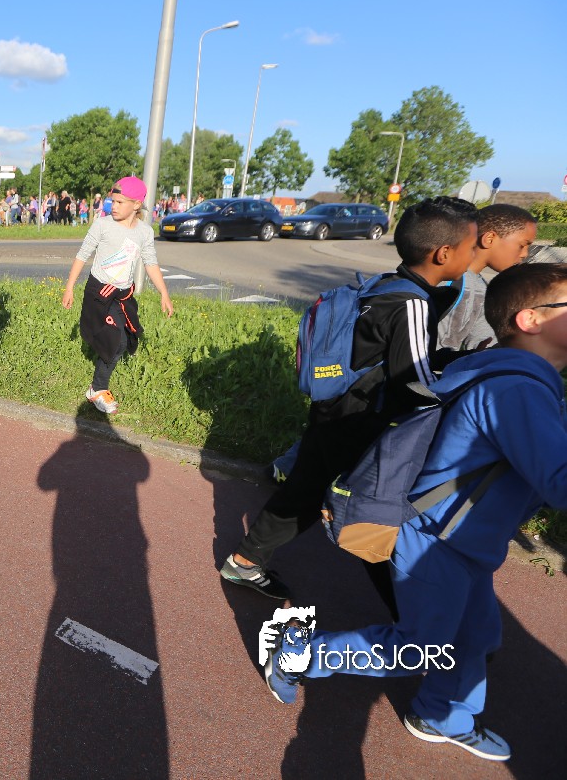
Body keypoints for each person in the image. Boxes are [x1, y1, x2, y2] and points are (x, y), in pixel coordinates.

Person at [263, 261, 567, 763]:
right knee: (423, 644)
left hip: (465, 537)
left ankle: (441, 715)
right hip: (436, 537)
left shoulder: (518, 377)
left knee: (475, 636)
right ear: (530, 319)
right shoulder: (517, 391)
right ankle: (301, 654)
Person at [220, 196, 478, 602]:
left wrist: (450, 359)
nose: (473, 256)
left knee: (305, 489)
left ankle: (244, 561)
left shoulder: (384, 285)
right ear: (443, 253)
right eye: (471, 247)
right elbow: (415, 380)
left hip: (333, 407)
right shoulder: (414, 303)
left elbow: (389, 357)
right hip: (363, 423)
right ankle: (409, 610)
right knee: (375, 514)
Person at [61, 177, 174, 415]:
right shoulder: (103, 225)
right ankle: (97, 389)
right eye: (112, 201)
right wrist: (69, 287)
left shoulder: (144, 232)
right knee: (116, 341)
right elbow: (82, 255)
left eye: (120, 202)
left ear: (136, 205)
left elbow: (150, 262)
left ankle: (99, 376)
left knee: (126, 338)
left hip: (122, 295)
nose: (113, 206)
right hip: (99, 292)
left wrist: (164, 293)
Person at [437, 204, 538, 351]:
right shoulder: (444, 280)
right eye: (522, 245)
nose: (525, 254)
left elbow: (484, 340)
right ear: (489, 239)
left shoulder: (482, 288)